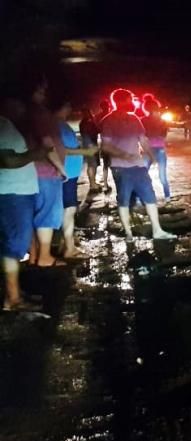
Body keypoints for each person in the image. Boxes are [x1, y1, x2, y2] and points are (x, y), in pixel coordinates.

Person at [99, 88, 176, 242]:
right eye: (129, 100)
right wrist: (125, 155)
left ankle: (157, 230)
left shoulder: (134, 119)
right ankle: (128, 234)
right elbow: (105, 146)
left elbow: (143, 140)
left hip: (138, 166)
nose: (132, 103)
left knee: (150, 196)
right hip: (120, 167)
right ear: (120, 101)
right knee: (124, 199)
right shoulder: (107, 121)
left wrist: (151, 155)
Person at [0, 96, 52, 311]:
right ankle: (12, 299)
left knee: (13, 242)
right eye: (18, 102)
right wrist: (37, 153)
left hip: (16, 193)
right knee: (14, 245)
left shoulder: (8, 125)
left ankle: (15, 292)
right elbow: (8, 160)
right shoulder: (2, 125)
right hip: (12, 194)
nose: (22, 108)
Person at [26, 79, 68, 267]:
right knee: (47, 213)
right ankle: (44, 257)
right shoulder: (40, 114)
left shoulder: (24, 114)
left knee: (33, 214)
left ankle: (34, 255)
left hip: (30, 172)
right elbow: (47, 143)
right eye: (41, 90)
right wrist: (61, 169)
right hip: (46, 172)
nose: (44, 93)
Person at [52, 98, 95, 258]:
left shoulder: (61, 124)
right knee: (68, 209)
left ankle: (65, 243)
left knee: (69, 208)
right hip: (66, 174)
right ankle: (70, 249)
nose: (71, 108)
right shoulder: (56, 124)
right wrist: (85, 152)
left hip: (70, 173)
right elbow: (61, 150)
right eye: (69, 105)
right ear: (64, 106)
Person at [141, 99, 171, 202]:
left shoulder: (143, 120)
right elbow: (164, 135)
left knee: (143, 175)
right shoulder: (162, 121)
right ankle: (167, 197)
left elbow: (143, 136)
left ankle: (142, 197)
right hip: (160, 149)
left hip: (147, 150)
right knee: (162, 176)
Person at [79, 107, 101, 192]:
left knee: (92, 164)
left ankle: (93, 182)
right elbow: (95, 131)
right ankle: (92, 184)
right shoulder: (88, 122)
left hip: (89, 143)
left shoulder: (84, 122)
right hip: (90, 144)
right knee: (92, 164)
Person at [96, 98, 112, 192]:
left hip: (104, 144)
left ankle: (105, 184)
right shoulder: (112, 116)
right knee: (115, 165)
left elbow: (97, 129)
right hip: (115, 144)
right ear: (108, 106)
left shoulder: (98, 117)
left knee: (105, 165)